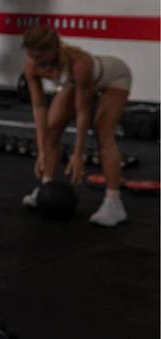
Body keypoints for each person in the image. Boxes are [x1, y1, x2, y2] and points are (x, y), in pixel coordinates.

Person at [20, 25, 131, 227]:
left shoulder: (79, 65)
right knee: (51, 131)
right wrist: (42, 150)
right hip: (77, 82)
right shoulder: (32, 66)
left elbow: (82, 112)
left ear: (54, 49)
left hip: (114, 77)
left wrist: (78, 154)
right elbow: (38, 107)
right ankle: (46, 190)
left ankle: (114, 203)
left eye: (41, 57)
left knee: (103, 132)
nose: (38, 62)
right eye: (32, 56)